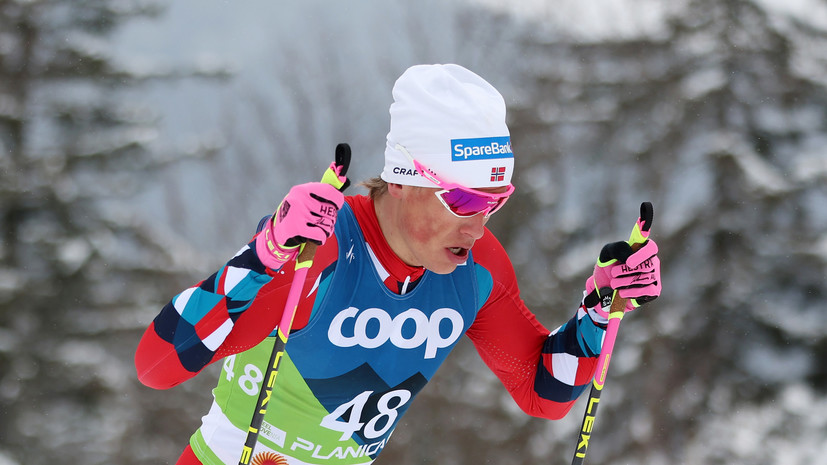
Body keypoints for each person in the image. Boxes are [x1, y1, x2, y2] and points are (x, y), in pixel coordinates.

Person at [135, 64, 661, 465]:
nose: (479, 227)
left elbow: (543, 392)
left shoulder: (478, 270)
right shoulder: (326, 247)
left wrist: (598, 314)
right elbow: (156, 365)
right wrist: (266, 254)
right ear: (405, 179)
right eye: (465, 202)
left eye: (496, 202)